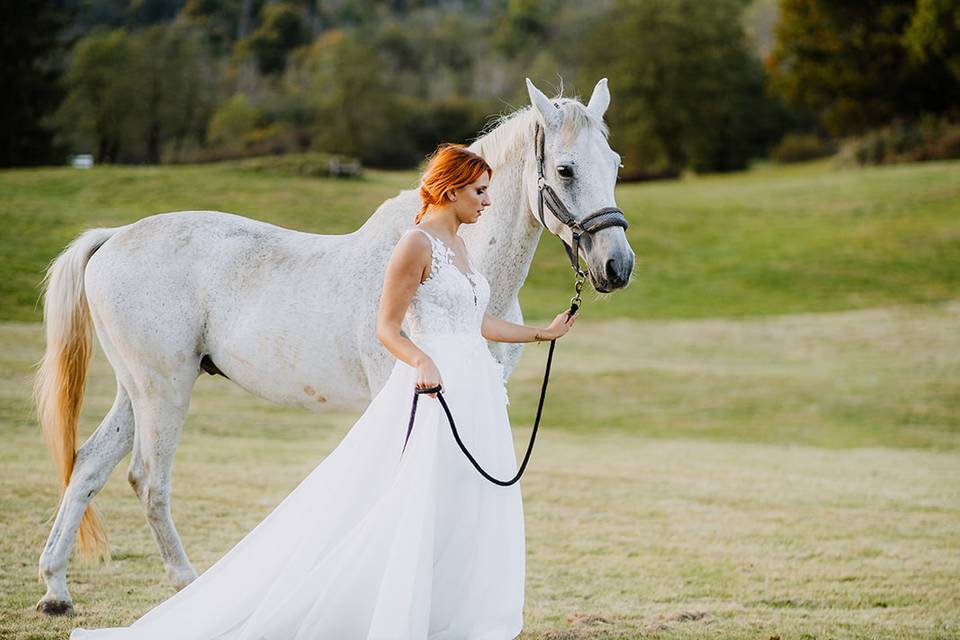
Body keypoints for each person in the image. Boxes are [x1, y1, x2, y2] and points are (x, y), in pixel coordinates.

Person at [69, 143, 577, 640]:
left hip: (473, 389)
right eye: (480, 192)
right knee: (415, 496)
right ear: (449, 191)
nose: (488, 202)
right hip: (432, 388)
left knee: (466, 498)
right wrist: (422, 360)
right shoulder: (414, 243)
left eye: (488, 192)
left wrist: (540, 333)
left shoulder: (461, 247)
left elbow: (476, 320)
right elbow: (388, 327)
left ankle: (448, 611)